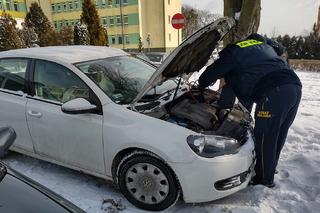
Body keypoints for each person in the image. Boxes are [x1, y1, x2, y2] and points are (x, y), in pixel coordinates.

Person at [198, 33, 302, 188]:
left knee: (264, 137)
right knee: (278, 132)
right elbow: (279, 51)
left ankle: (263, 180)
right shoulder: (265, 47)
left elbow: (210, 74)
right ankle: (269, 169)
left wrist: (201, 83)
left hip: (273, 92)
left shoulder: (234, 52)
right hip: (294, 86)